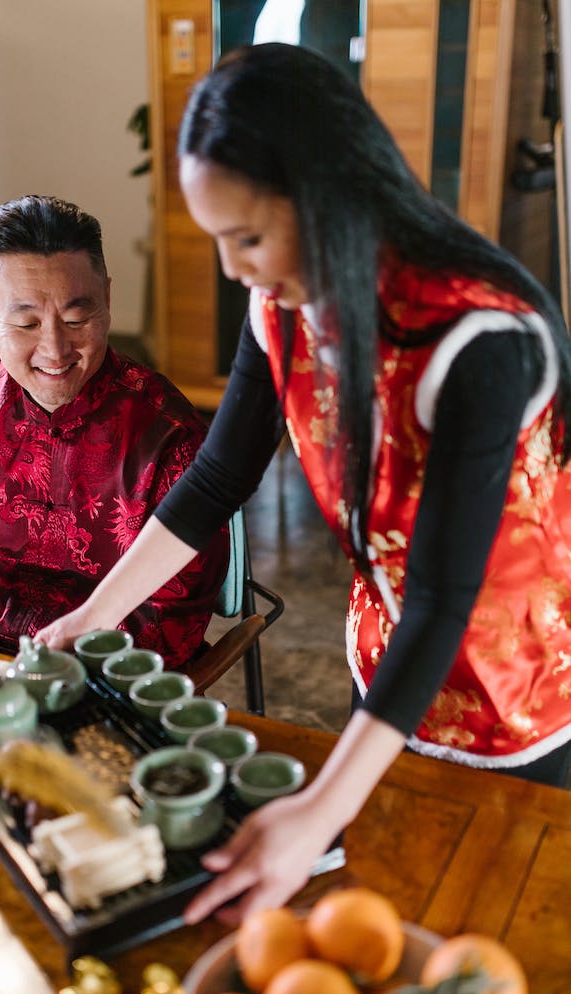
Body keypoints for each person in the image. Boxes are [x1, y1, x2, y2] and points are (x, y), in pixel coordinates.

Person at [36, 45, 571, 923]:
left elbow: (446, 597)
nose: (233, 266)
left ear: (325, 195)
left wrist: (323, 803)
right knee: (388, 900)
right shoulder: (283, 304)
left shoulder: (478, 341)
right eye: (219, 240)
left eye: (246, 237)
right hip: (387, 658)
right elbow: (216, 479)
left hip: (518, 688)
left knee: (490, 916)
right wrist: (91, 615)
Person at [0, 195, 228, 664]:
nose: (55, 350)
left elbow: (170, 626)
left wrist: (39, 672)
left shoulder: (169, 436)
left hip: (106, 681)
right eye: (26, 322)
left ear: (108, 300)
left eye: (77, 319)